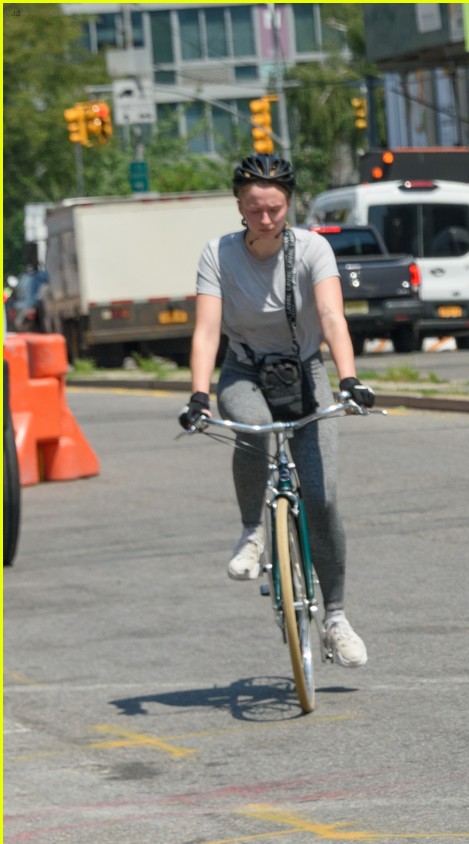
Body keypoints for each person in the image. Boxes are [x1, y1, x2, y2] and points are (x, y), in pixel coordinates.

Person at [178, 153, 376, 669]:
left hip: (306, 372)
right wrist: (199, 394)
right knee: (254, 427)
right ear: (239, 207)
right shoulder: (218, 254)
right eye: (254, 209)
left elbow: (331, 315)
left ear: (289, 204)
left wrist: (349, 379)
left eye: (275, 209)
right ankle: (252, 532)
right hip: (245, 371)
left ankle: (335, 618)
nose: (265, 219)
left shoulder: (312, 248)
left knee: (323, 498)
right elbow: (206, 331)